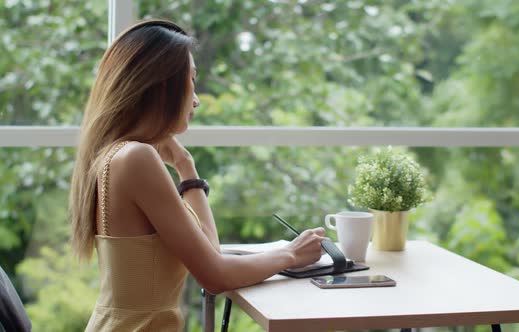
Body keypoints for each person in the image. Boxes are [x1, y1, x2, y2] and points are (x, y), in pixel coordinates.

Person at [69, 19, 326, 331]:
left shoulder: (115, 154)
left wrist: (184, 164)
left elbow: (210, 254)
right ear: (164, 87)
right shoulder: (137, 158)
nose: (197, 98)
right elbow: (216, 277)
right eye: (190, 80)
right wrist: (291, 254)